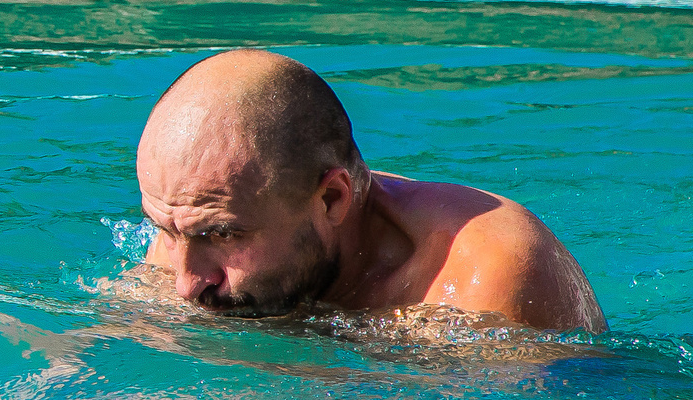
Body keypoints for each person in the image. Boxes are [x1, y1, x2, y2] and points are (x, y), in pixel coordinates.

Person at [135, 48, 604, 332]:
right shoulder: (191, 224)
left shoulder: (482, 279)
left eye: (223, 235)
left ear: (332, 200)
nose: (186, 285)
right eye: (166, 230)